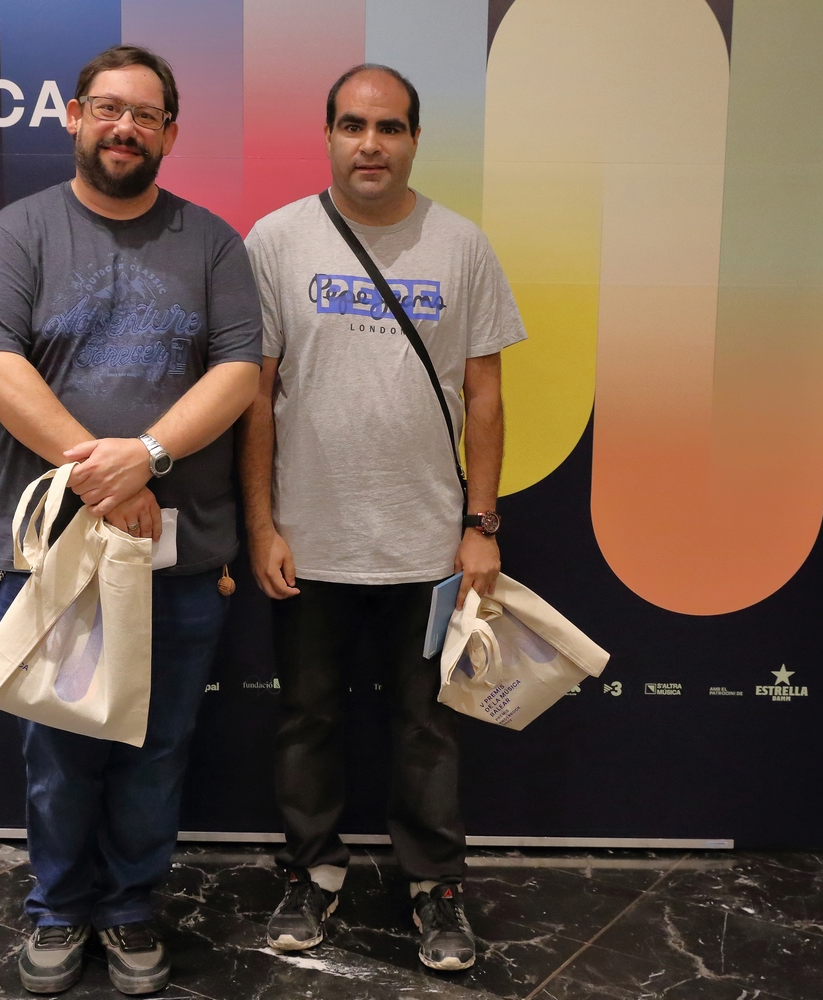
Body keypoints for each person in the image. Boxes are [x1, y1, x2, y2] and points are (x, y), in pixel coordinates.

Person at [0, 45, 261, 996]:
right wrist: (103, 474)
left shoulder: (212, 243)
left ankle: (129, 908)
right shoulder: (19, 233)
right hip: (45, 550)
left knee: (154, 748)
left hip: (177, 554)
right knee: (56, 752)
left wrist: (149, 456)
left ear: (170, 133)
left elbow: (240, 372)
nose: (125, 128)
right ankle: (57, 910)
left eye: (145, 115)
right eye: (107, 108)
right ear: (75, 117)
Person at [237, 63, 528, 972]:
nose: (372, 144)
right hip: (309, 540)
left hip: (428, 543)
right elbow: (255, 397)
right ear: (328, 135)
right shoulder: (276, 241)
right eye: (354, 126)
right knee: (307, 720)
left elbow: (486, 394)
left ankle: (435, 887)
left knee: (427, 727)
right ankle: (309, 872)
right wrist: (262, 526)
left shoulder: (462, 245)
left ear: (413, 139)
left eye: (390, 127)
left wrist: (481, 525)